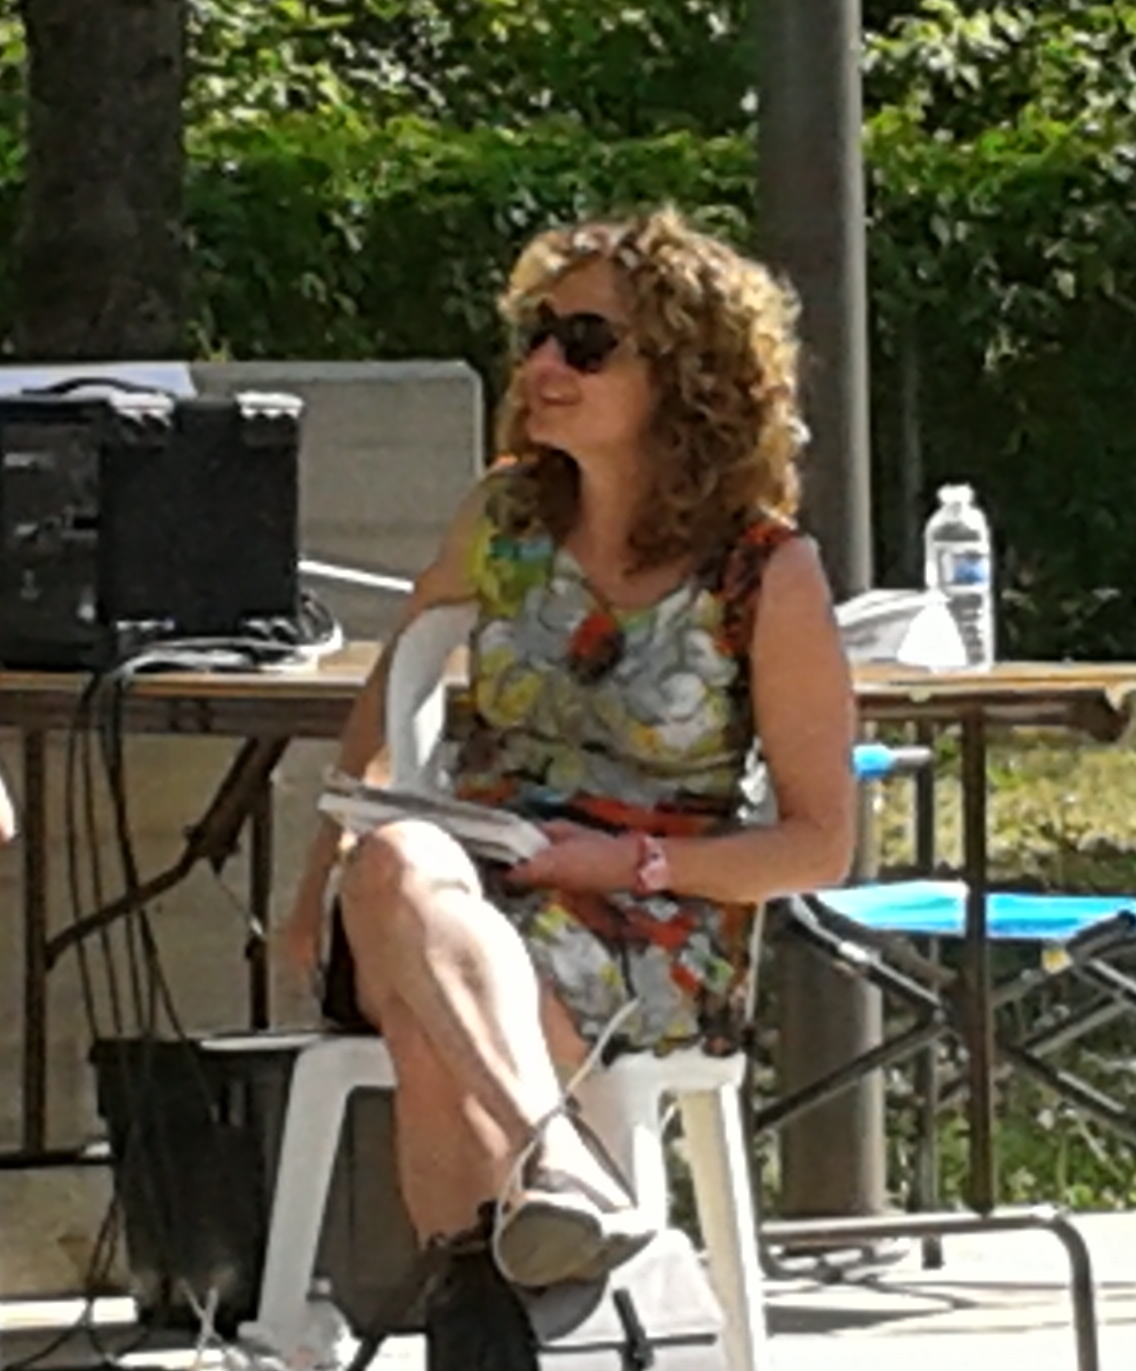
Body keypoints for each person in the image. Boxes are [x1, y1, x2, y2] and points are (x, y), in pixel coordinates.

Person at [280, 206, 856, 1291]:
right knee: (395, 858)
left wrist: (623, 862)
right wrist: (319, 881)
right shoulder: (505, 519)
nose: (544, 364)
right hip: (470, 876)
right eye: (538, 334)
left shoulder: (761, 574)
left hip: (654, 914)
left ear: (686, 377)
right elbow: (395, 686)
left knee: (427, 1016)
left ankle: (490, 1346)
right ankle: (557, 1170)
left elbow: (818, 845)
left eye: (585, 343)